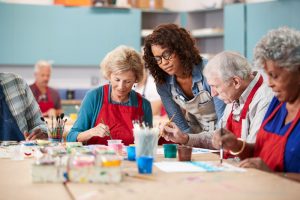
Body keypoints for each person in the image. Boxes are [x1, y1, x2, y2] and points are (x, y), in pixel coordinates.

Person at [212, 27, 300, 176]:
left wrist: (274, 176)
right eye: (268, 75)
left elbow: (269, 170)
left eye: (274, 76)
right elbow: (260, 151)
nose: (270, 83)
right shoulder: (277, 105)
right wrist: (236, 144)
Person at [160, 51, 273, 149]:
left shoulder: (265, 99)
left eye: (216, 86)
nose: (213, 93)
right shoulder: (234, 95)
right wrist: (185, 138)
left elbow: (253, 149)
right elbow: (218, 136)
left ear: (236, 82)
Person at [143, 23, 226, 137]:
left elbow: (224, 118)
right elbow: (179, 122)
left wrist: (214, 142)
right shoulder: (163, 83)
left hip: (221, 133)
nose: (164, 62)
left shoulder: (210, 72)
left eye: (167, 54)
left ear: (180, 49)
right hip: (195, 133)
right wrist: (188, 141)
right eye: (158, 58)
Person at [67, 45, 153, 146]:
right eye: (117, 80)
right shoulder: (94, 97)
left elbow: (148, 143)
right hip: (98, 160)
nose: (121, 87)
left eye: (128, 81)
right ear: (109, 75)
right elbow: (71, 137)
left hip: (131, 161)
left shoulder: (144, 105)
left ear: (136, 79)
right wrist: (90, 132)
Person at [0, 72, 48, 141]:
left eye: (47, 75)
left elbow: (39, 124)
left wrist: (42, 134)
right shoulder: (33, 88)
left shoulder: (17, 82)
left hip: (22, 151)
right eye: (43, 75)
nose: (45, 78)